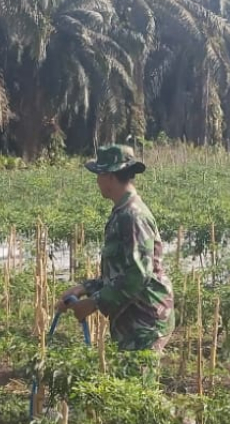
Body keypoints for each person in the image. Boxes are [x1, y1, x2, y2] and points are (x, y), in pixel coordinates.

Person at [56, 144, 174, 352]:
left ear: (110, 177)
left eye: (99, 175)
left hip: (145, 323)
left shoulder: (132, 216)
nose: (97, 181)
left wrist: (94, 303)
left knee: (138, 383)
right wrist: (84, 289)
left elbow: (138, 275)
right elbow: (121, 272)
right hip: (132, 321)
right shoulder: (122, 213)